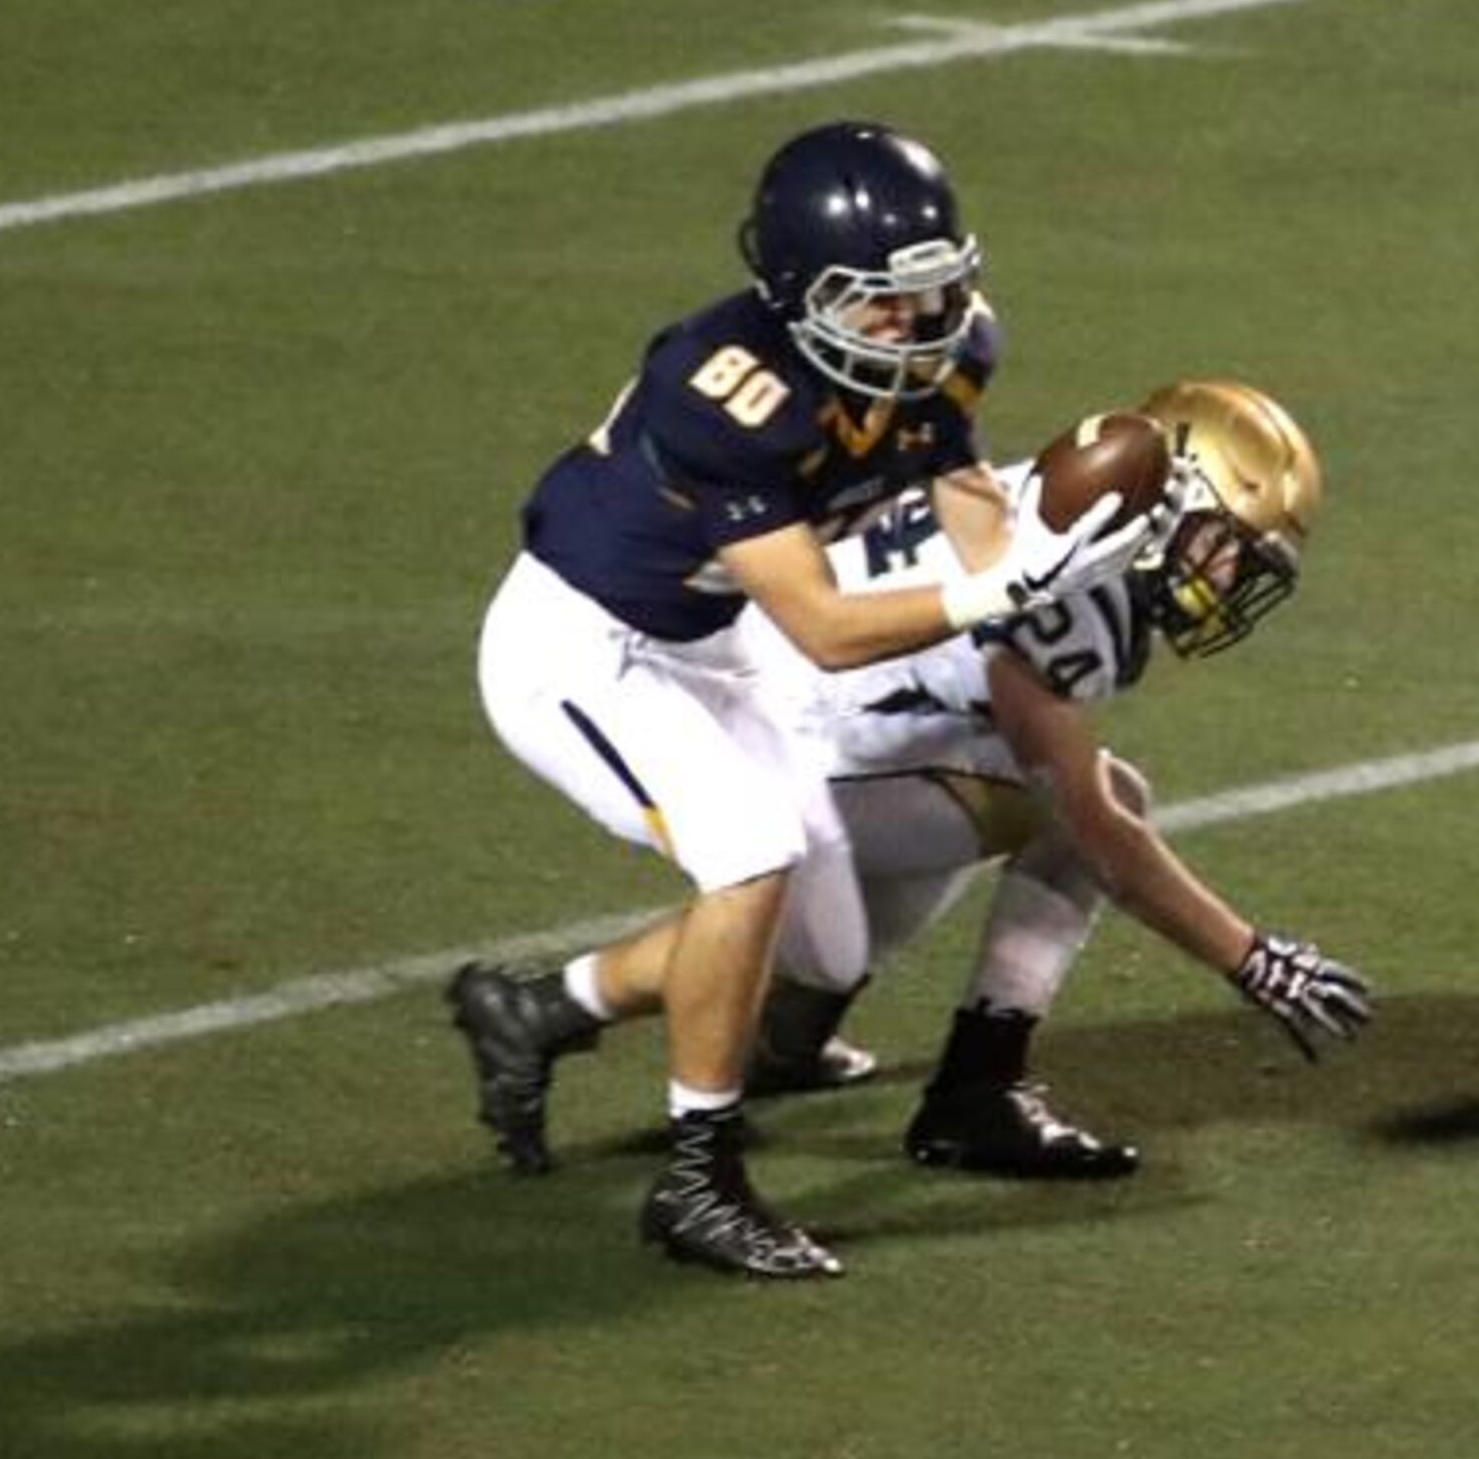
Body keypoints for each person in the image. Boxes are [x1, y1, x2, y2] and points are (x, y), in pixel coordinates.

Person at [454, 120, 1152, 1280]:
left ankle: (539, 1010)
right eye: (882, 303)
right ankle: (700, 1176)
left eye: (932, 295)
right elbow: (824, 628)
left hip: (709, 647)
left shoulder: (943, 349)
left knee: (821, 951)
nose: (916, 325)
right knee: (750, 853)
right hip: (582, 647)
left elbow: (966, 493)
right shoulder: (726, 395)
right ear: (797, 294)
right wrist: (1001, 593)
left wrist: (1057, 545)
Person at [461, 380, 1375, 1183]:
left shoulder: (1072, 513)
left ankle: (792, 1039)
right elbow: (1097, 830)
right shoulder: (1072, 585)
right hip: (784, 731)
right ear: (1169, 501)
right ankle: (553, 1008)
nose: (1225, 574)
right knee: (1084, 811)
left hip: (832, 718)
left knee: (922, 876)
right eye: (1222, 543)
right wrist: (1251, 958)